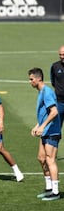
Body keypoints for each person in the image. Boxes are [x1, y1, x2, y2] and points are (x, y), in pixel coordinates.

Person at [29, 68, 61, 201]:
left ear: (38, 79)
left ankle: (56, 192)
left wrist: (42, 126)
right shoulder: (41, 92)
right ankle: (49, 188)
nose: (30, 82)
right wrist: (37, 125)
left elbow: (54, 112)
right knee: (41, 158)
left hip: (52, 131)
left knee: (50, 159)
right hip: (45, 130)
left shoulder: (47, 92)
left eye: (31, 79)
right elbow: (45, 113)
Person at [50, 45, 64, 129]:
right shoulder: (55, 66)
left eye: (63, 54)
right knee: (56, 129)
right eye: (60, 54)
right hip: (59, 103)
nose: (62, 57)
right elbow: (53, 81)